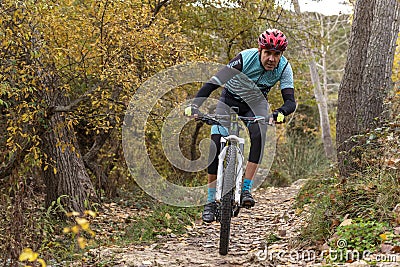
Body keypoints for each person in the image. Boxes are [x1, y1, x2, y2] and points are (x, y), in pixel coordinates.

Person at [184, 29, 296, 223]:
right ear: (260, 50)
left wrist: (279, 113)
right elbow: (214, 82)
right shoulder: (244, 58)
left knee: (259, 134)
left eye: (276, 54)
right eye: (267, 52)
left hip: (256, 104)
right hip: (230, 100)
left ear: (281, 55)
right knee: (216, 142)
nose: (271, 58)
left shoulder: (284, 68)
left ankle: (246, 189)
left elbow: (290, 101)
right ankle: (210, 202)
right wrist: (195, 105)